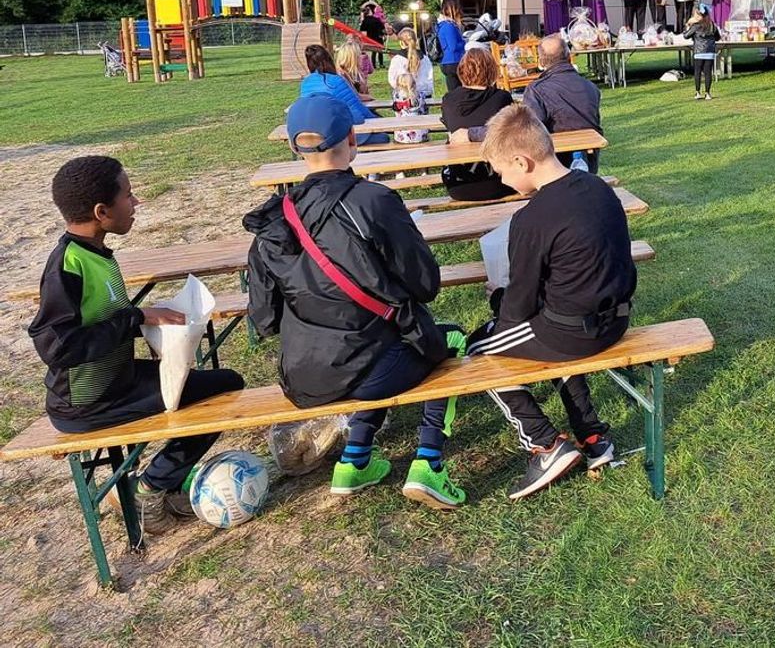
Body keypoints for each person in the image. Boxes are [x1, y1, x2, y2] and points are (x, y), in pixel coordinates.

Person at [244, 95, 467, 509]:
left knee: (380, 346)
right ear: (352, 138)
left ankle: (355, 459)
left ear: (294, 146)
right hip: (368, 367)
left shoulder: (274, 220)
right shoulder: (372, 201)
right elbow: (425, 283)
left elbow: (264, 319)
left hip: (303, 378)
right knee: (446, 341)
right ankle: (430, 463)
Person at [29, 156, 245, 535]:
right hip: (87, 404)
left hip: (118, 381)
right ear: (101, 211)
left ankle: (164, 482)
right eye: (129, 195)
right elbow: (57, 347)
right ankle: (150, 488)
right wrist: (136, 318)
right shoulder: (67, 265)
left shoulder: (95, 253)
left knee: (224, 383)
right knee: (219, 394)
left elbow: (104, 320)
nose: (136, 202)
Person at [466, 105, 637, 501]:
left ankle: (545, 444)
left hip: (571, 332)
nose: (501, 178)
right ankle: (592, 435)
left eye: (500, 170)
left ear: (521, 161)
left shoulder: (531, 219)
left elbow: (518, 309)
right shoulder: (598, 187)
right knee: (547, 328)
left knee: (478, 350)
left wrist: (498, 299)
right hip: (616, 320)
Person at [440, 48, 516, 201]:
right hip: (499, 181)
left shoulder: (449, 100)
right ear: (492, 70)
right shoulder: (502, 98)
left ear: (461, 70)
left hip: (458, 184)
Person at [522, 34, 602, 173]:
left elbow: (529, 129)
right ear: (568, 56)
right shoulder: (590, 87)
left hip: (555, 165)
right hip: (590, 163)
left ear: (541, 61)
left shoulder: (537, 90)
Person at [299, 44, 388, 146]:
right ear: (329, 59)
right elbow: (355, 106)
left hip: (318, 133)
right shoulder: (336, 81)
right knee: (383, 138)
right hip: (342, 133)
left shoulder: (305, 83)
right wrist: (377, 120)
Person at [683, 3, 719, 100]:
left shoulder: (696, 26)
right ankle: (708, 93)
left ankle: (698, 92)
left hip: (699, 52)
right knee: (708, 73)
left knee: (697, 72)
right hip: (710, 52)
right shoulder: (712, 25)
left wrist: (687, 25)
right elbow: (718, 37)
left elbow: (686, 36)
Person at [388, 28, 435, 99]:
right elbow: (429, 81)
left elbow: (392, 80)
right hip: (424, 96)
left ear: (401, 42)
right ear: (416, 41)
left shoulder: (397, 59)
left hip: (404, 96)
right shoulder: (425, 59)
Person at [437, 0, 466, 93]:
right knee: (458, 92)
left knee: (454, 91)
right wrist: (464, 42)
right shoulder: (449, 26)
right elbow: (453, 47)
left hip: (448, 61)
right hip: (454, 61)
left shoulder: (442, 25)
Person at [392, 73, 431, 144]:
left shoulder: (396, 96)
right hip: (420, 135)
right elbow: (425, 111)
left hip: (401, 136)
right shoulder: (420, 96)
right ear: (414, 84)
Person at [359, 0, 388, 69]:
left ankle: (374, 65)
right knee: (380, 51)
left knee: (373, 52)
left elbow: (363, 31)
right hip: (378, 36)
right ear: (370, 12)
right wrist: (384, 35)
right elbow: (382, 28)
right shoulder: (376, 20)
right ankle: (381, 64)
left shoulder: (364, 22)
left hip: (370, 38)